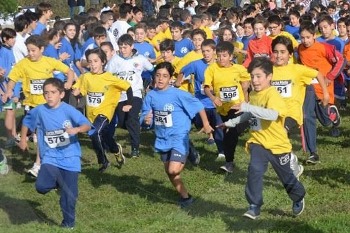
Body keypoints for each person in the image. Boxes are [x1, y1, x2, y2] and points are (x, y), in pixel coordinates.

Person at [218, 57, 306, 220]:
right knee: (254, 170)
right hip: (258, 141)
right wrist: (231, 122)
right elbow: (250, 113)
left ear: (269, 77)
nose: (255, 80)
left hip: (278, 145)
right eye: (252, 76)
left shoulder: (273, 94)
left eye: (259, 76)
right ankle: (254, 206)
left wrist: (246, 106)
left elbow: (272, 114)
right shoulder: (253, 94)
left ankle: (298, 196)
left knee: (286, 177)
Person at [18, 78, 91, 229]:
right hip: (50, 157)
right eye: (46, 93)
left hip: (71, 157)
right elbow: (26, 122)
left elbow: (87, 125)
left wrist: (76, 130)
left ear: (62, 94)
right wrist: (24, 140)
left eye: (53, 92)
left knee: (69, 198)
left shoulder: (68, 110)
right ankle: (58, 183)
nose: (49, 96)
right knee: (41, 187)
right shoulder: (39, 110)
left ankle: (68, 224)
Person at [140, 62, 213, 208]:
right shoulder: (150, 96)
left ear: (170, 78)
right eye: (158, 75)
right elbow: (144, 117)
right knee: (170, 172)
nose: (160, 79)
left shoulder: (178, 94)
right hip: (162, 138)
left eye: (165, 76)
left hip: (179, 136)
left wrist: (206, 124)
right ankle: (186, 197)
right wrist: (146, 120)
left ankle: (189, 151)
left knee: (174, 169)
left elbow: (198, 105)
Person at [2, 35, 75, 177]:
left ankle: (39, 165)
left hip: (49, 106)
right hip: (31, 105)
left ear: (42, 49)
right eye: (28, 50)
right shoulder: (23, 63)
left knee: (43, 134)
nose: (30, 53)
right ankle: (50, 161)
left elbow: (69, 71)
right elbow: (12, 78)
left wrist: (69, 82)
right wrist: (9, 90)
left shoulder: (49, 61)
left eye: (33, 50)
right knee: (43, 134)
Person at [271, 36, 329, 178]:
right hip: (274, 114)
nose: (279, 55)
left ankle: (291, 164)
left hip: (292, 114)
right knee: (275, 144)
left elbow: (318, 74)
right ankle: (293, 164)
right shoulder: (269, 70)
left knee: (281, 134)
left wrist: (326, 94)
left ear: (290, 54)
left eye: (283, 52)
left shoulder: (298, 70)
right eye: (276, 52)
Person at [72, 48, 132, 172]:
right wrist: (75, 92)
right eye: (90, 61)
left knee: (94, 133)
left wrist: (130, 103)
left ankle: (103, 162)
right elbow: (78, 91)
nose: (93, 64)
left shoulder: (109, 77)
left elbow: (127, 87)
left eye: (96, 61)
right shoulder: (86, 77)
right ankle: (116, 150)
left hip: (105, 113)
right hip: (91, 114)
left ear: (103, 62)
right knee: (104, 137)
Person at [298, 21, 343, 163]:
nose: (305, 41)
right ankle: (313, 153)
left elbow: (340, 60)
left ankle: (333, 115)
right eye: (302, 37)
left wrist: (330, 76)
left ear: (314, 36)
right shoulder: (299, 48)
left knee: (325, 121)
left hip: (324, 88)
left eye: (308, 37)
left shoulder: (324, 48)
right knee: (307, 116)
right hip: (309, 88)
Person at [204, 41, 250, 173]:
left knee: (232, 131)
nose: (220, 59)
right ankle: (229, 158)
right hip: (222, 107)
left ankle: (229, 162)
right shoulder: (212, 69)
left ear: (231, 56)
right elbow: (207, 87)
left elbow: (245, 85)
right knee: (225, 134)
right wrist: (213, 98)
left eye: (224, 56)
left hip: (236, 106)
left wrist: (245, 101)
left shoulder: (239, 69)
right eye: (218, 56)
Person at [105, 34, 154, 157]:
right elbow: (107, 77)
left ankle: (135, 149)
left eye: (125, 47)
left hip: (135, 94)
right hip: (120, 95)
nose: (123, 50)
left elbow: (152, 69)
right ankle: (139, 126)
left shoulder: (140, 59)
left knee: (132, 118)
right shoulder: (115, 60)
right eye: (121, 47)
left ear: (132, 46)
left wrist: (150, 82)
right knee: (123, 122)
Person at [180, 39, 225, 159]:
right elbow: (182, 71)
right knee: (199, 123)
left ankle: (221, 152)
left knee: (218, 126)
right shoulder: (196, 64)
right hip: (200, 103)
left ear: (214, 51)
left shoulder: (220, 65)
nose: (206, 54)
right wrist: (178, 82)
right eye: (203, 51)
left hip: (216, 103)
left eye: (208, 51)